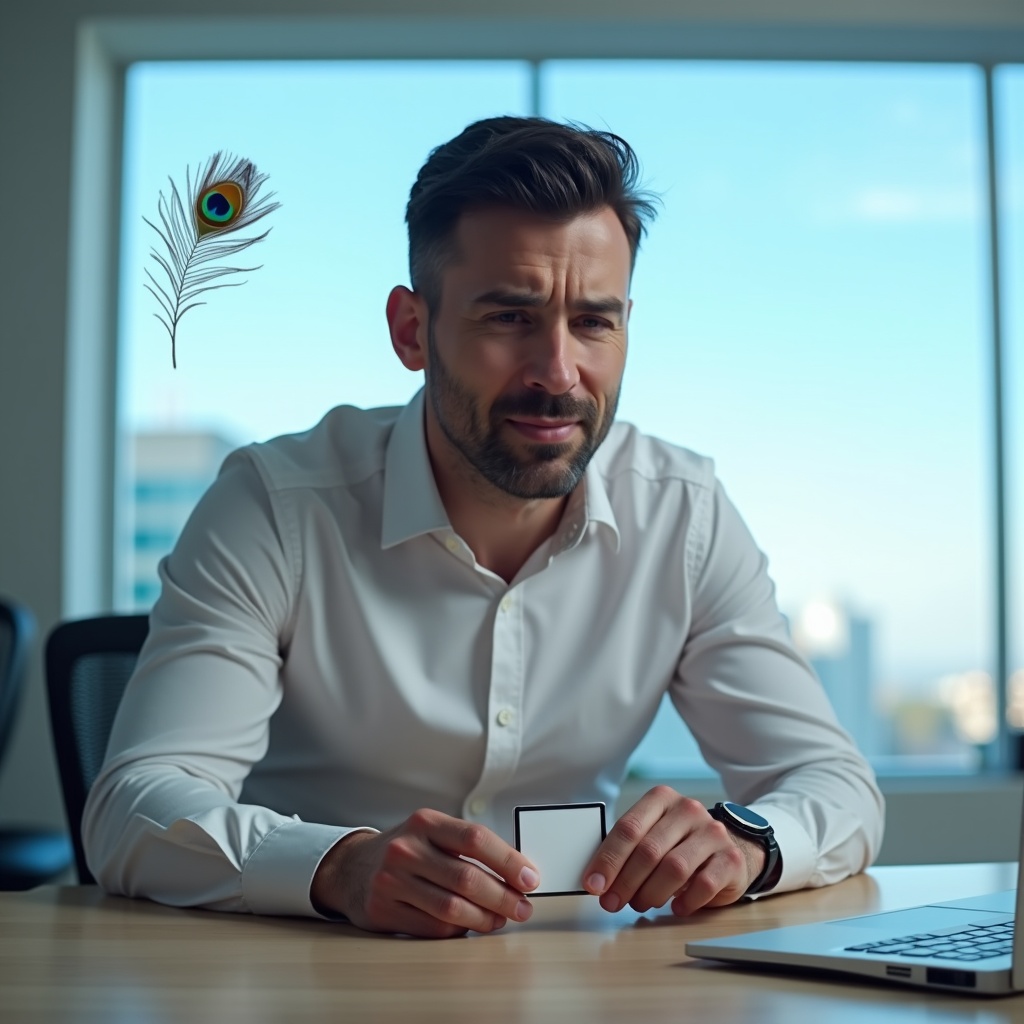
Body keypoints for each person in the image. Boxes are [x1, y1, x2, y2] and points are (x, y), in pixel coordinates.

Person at [84, 116, 883, 938]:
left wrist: (747, 844)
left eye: (594, 323)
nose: (559, 373)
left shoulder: (684, 513)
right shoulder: (275, 505)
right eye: (509, 319)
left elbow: (835, 787)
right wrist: (340, 866)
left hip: (578, 976)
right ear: (412, 330)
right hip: (314, 973)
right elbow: (133, 809)